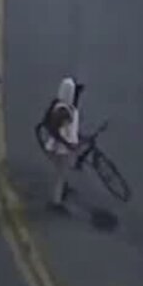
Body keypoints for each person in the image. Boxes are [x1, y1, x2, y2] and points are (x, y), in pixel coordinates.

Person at [40, 76, 85, 213]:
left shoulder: (57, 104)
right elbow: (55, 131)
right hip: (60, 150)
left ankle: (60, 192)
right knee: (61, 175)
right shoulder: (63, 112)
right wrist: (69, 144)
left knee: (63, 171)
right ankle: (56, 202)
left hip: (59, 148)